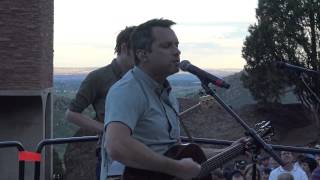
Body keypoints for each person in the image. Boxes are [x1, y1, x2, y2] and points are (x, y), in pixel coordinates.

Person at [101, 18, 247, 180]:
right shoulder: (127, 90)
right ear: (142, 54)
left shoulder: (168, 93)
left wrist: (228, 151)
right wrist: (177, 168)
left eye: (176, 45)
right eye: (166, 46)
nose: (177, 51)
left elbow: (174, 150)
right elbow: (116, 145)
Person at [65, 26, 136, 179]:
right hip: (111, 156)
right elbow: (71, 114)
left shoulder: (142, 78)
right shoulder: (98, 77)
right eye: (139, 50)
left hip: (143, 153)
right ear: (124, 48)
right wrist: (106, 129)